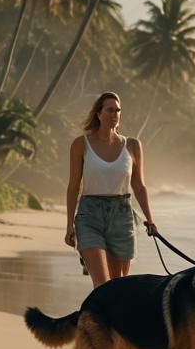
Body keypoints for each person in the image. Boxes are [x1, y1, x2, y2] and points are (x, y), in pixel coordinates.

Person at [65, 92, 157, 287]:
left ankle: (108, 318)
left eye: (117, 110)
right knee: (101, 285)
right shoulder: (81, 144)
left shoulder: (132, 145)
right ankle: (93, 317)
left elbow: (139, 186)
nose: (114, 114)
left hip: (121, 215)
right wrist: (69, 225)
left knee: (118, 286)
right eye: (109, 110)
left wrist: (150, 219)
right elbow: (73, 187)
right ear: (98, 114)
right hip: (89, 216)